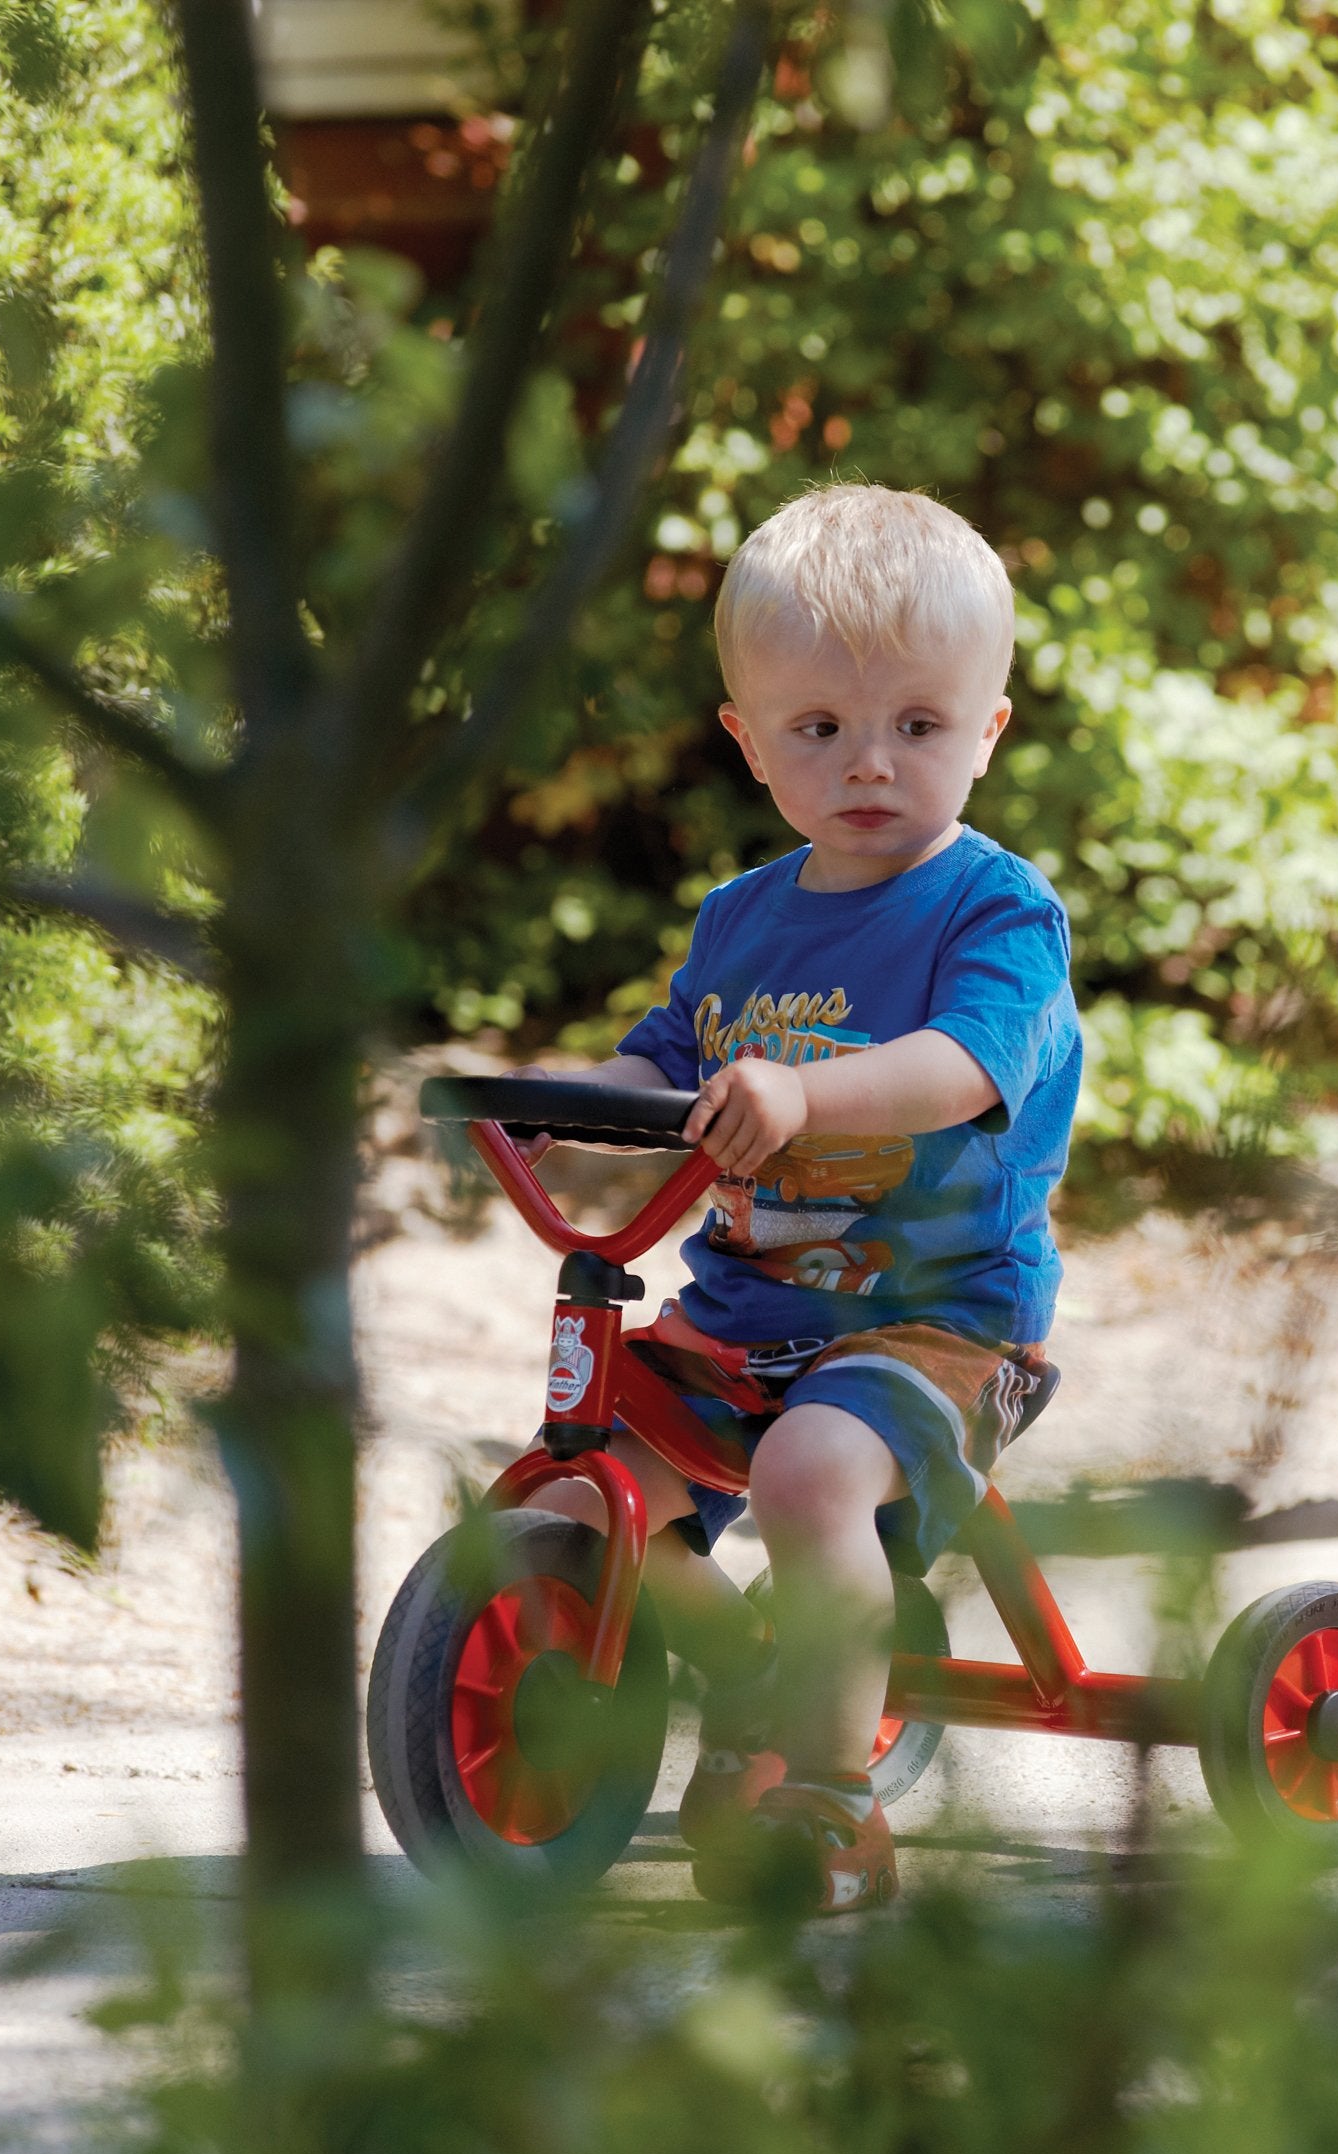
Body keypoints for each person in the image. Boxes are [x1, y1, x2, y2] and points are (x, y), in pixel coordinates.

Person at [517, 484, 1081, 1911]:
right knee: (581, 1500)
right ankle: (761, 1673)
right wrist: (561, 1098)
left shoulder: (993, 911)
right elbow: (669, 1057)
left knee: (808, 1475)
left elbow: (963, 1068)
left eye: (918, 724)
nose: (870, 764)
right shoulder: (742, 918)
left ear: (988, 730)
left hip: (937, 1324)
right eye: (820, 728)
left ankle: (829, 1805)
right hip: (745, 1318)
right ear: (748, 739)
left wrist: (806, 1096)